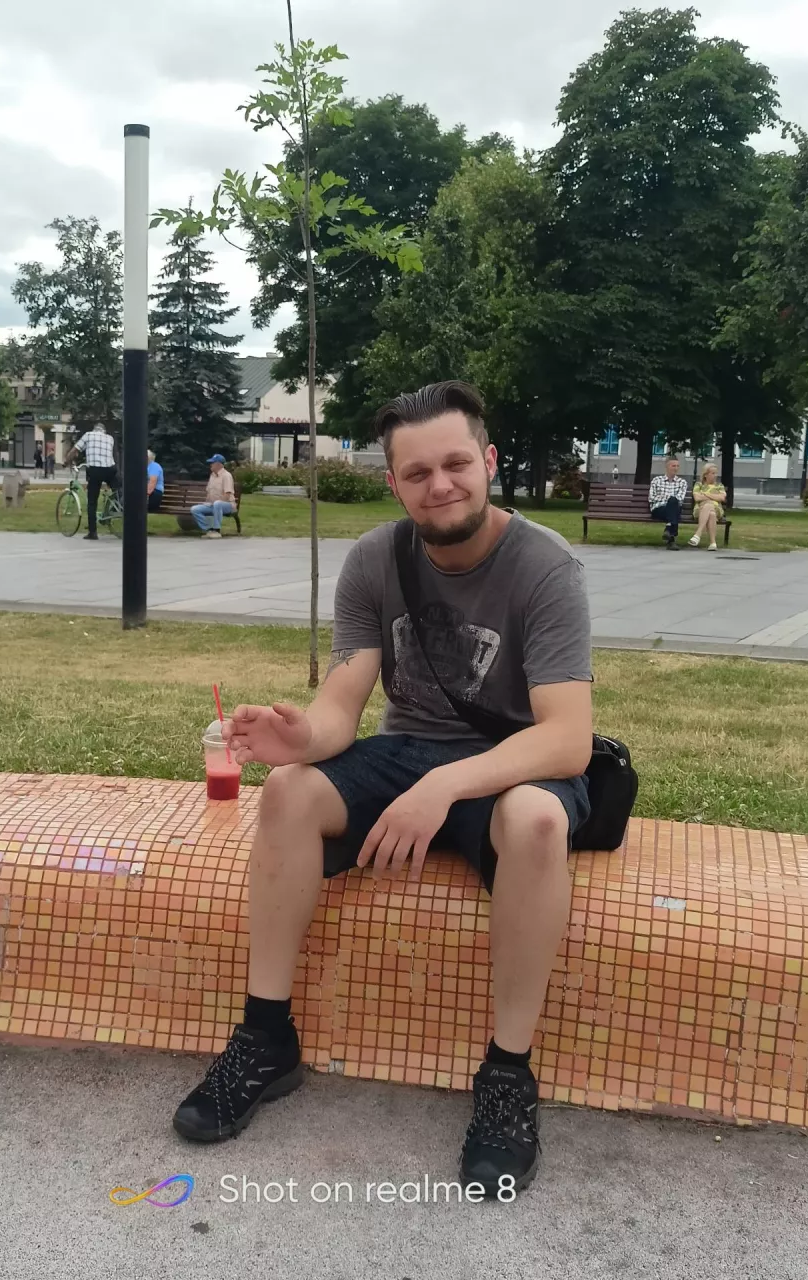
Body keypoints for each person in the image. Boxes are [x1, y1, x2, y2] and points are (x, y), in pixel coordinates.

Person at [172, 381, 593, 1200]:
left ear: (489, 462)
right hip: (405, 751)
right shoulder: (374, 560)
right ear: (394, 483)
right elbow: (342, 707)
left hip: (512, 763)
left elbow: (566, 738)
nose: (441, 485)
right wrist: (300, 738)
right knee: (289, 791)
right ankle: (266, 1038)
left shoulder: (545, 567)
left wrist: (445, 785)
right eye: (418, 473)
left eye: (456, 464)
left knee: (538, 821)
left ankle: (508, 1075)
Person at [65, 423, 118, 541]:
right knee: (117, 491)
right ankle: (117, 506)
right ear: (104, 431)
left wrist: (67, 461)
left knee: (92, 502)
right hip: (110, 469)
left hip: (95, 470)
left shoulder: (88, 435)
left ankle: (92, 532)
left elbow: (75, 450)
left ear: (94, 429)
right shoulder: (110, 438)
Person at [648, 457, 689, 549]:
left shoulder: (682, 482)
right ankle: (671, 532)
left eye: (677, 466)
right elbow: (651, 498)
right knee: (674, 506)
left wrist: (665, 498)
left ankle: (669, 529)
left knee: (674, 502)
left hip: (674, 507)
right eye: (673, 466)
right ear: (666, 467)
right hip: (659, 509)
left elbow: (680, 498)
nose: (676, 468)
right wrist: (669, 498)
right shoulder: (656, 480)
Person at [191, 454, 236, 539]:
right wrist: (207, 503)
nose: (210, 465)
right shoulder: (212, 476)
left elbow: (227, 494)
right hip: (213, 505)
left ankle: (216, 530)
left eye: (212, 463)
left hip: (227, 505)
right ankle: (209, 530)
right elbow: (209, 492)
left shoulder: (226, 475)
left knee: (217, 504)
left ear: (218, 464)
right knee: (195, 509)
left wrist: (216, 503)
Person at [690, 464, 726, 550]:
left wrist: (705, 494)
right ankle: (713, 543)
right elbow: (697, 498)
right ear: (705, 474)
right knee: (711, 513)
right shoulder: (699, 484)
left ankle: (698, 534)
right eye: (713, 473)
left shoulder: (719, 486)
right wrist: (714, 497)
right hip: (699, 510)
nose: (715, 475)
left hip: (717, 509)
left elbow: (722, 498)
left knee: (709, 507)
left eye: (716, 473)